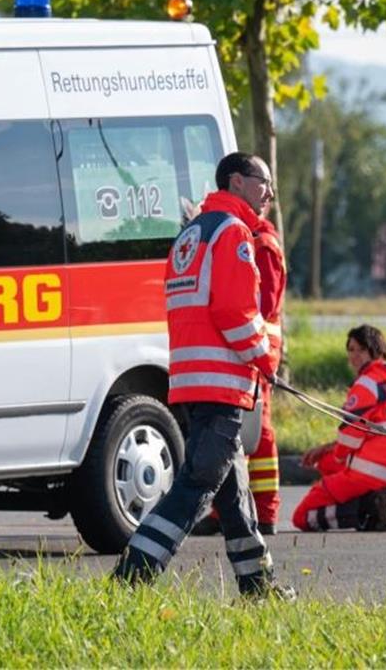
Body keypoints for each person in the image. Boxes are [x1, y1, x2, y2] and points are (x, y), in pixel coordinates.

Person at [112, 152, 294, 599]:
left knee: (233, 494)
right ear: (236, 181)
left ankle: (258, 585)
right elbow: (234, 311)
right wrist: (267, 358)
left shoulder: (192, 232)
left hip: (193, 380)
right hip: (223, 382)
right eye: (262, 181)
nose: (269, 191)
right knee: (195, 486)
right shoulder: (233, 233)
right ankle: (132, 578)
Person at [191, 188, 287, 536]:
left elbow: (258, 305)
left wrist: (259, 353)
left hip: (253, 355)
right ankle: (234, 514)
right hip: (250, 352)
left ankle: (262, 513)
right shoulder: (246, 236)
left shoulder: (257, 242)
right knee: (242, 439)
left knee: (255, 436)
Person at [291, 325, 386, 532]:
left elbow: (349, 440)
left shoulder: (366, 384)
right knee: (328, 462)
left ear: (377, 351)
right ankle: (384, 502)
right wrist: (327, 449)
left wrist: (333, 459)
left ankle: (371, 509)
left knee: (302, 517)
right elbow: (376, 432)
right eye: (351, 349)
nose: (354, 356)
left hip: (374, 473)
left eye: (361, 350)